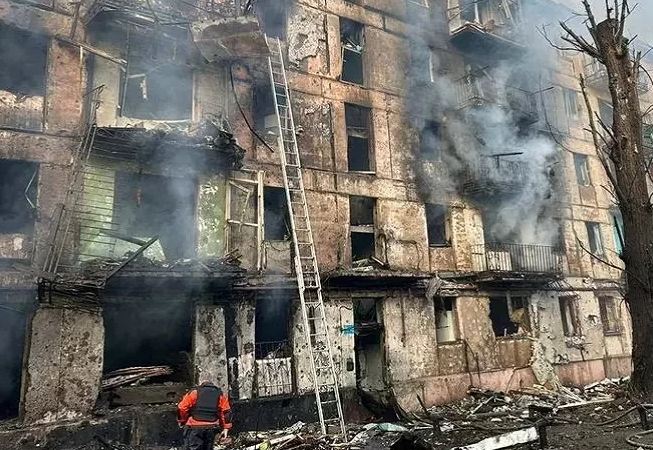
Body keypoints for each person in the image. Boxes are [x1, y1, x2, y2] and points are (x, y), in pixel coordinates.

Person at [177, 381, 233, 450]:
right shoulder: (220, 394)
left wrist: (182, 420)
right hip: (211, 427)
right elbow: (226, 412)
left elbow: (182, 408)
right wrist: (225, 428)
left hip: (194, 427)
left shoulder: (194, 393)